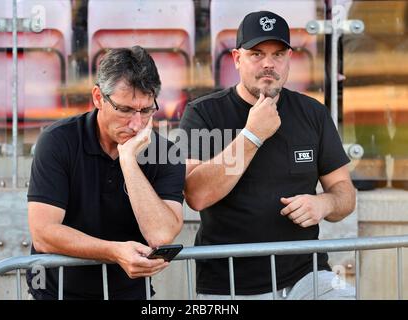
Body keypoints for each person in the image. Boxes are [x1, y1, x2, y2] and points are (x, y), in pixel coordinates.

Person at [179, 11, 356, 299]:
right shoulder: (203, 113)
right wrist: (252, 135)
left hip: (308, 273)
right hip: (231, 284)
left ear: (289, 58)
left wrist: (324, 203)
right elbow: (196, 194)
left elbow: (345, 193)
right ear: (237, 58)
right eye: (256, 54)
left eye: (278, 54)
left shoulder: (313, 113)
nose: (268, 64)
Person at [26, 46, 185, 300]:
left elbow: (160, 235)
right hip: (56, 292)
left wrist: (128, 162)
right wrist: (114, 252)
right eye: (125, 110)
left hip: (128, 294)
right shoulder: (58, 140)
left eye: (146, 111)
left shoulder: (166, 152)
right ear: (98, 98)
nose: (136, 124)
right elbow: (44, 233)